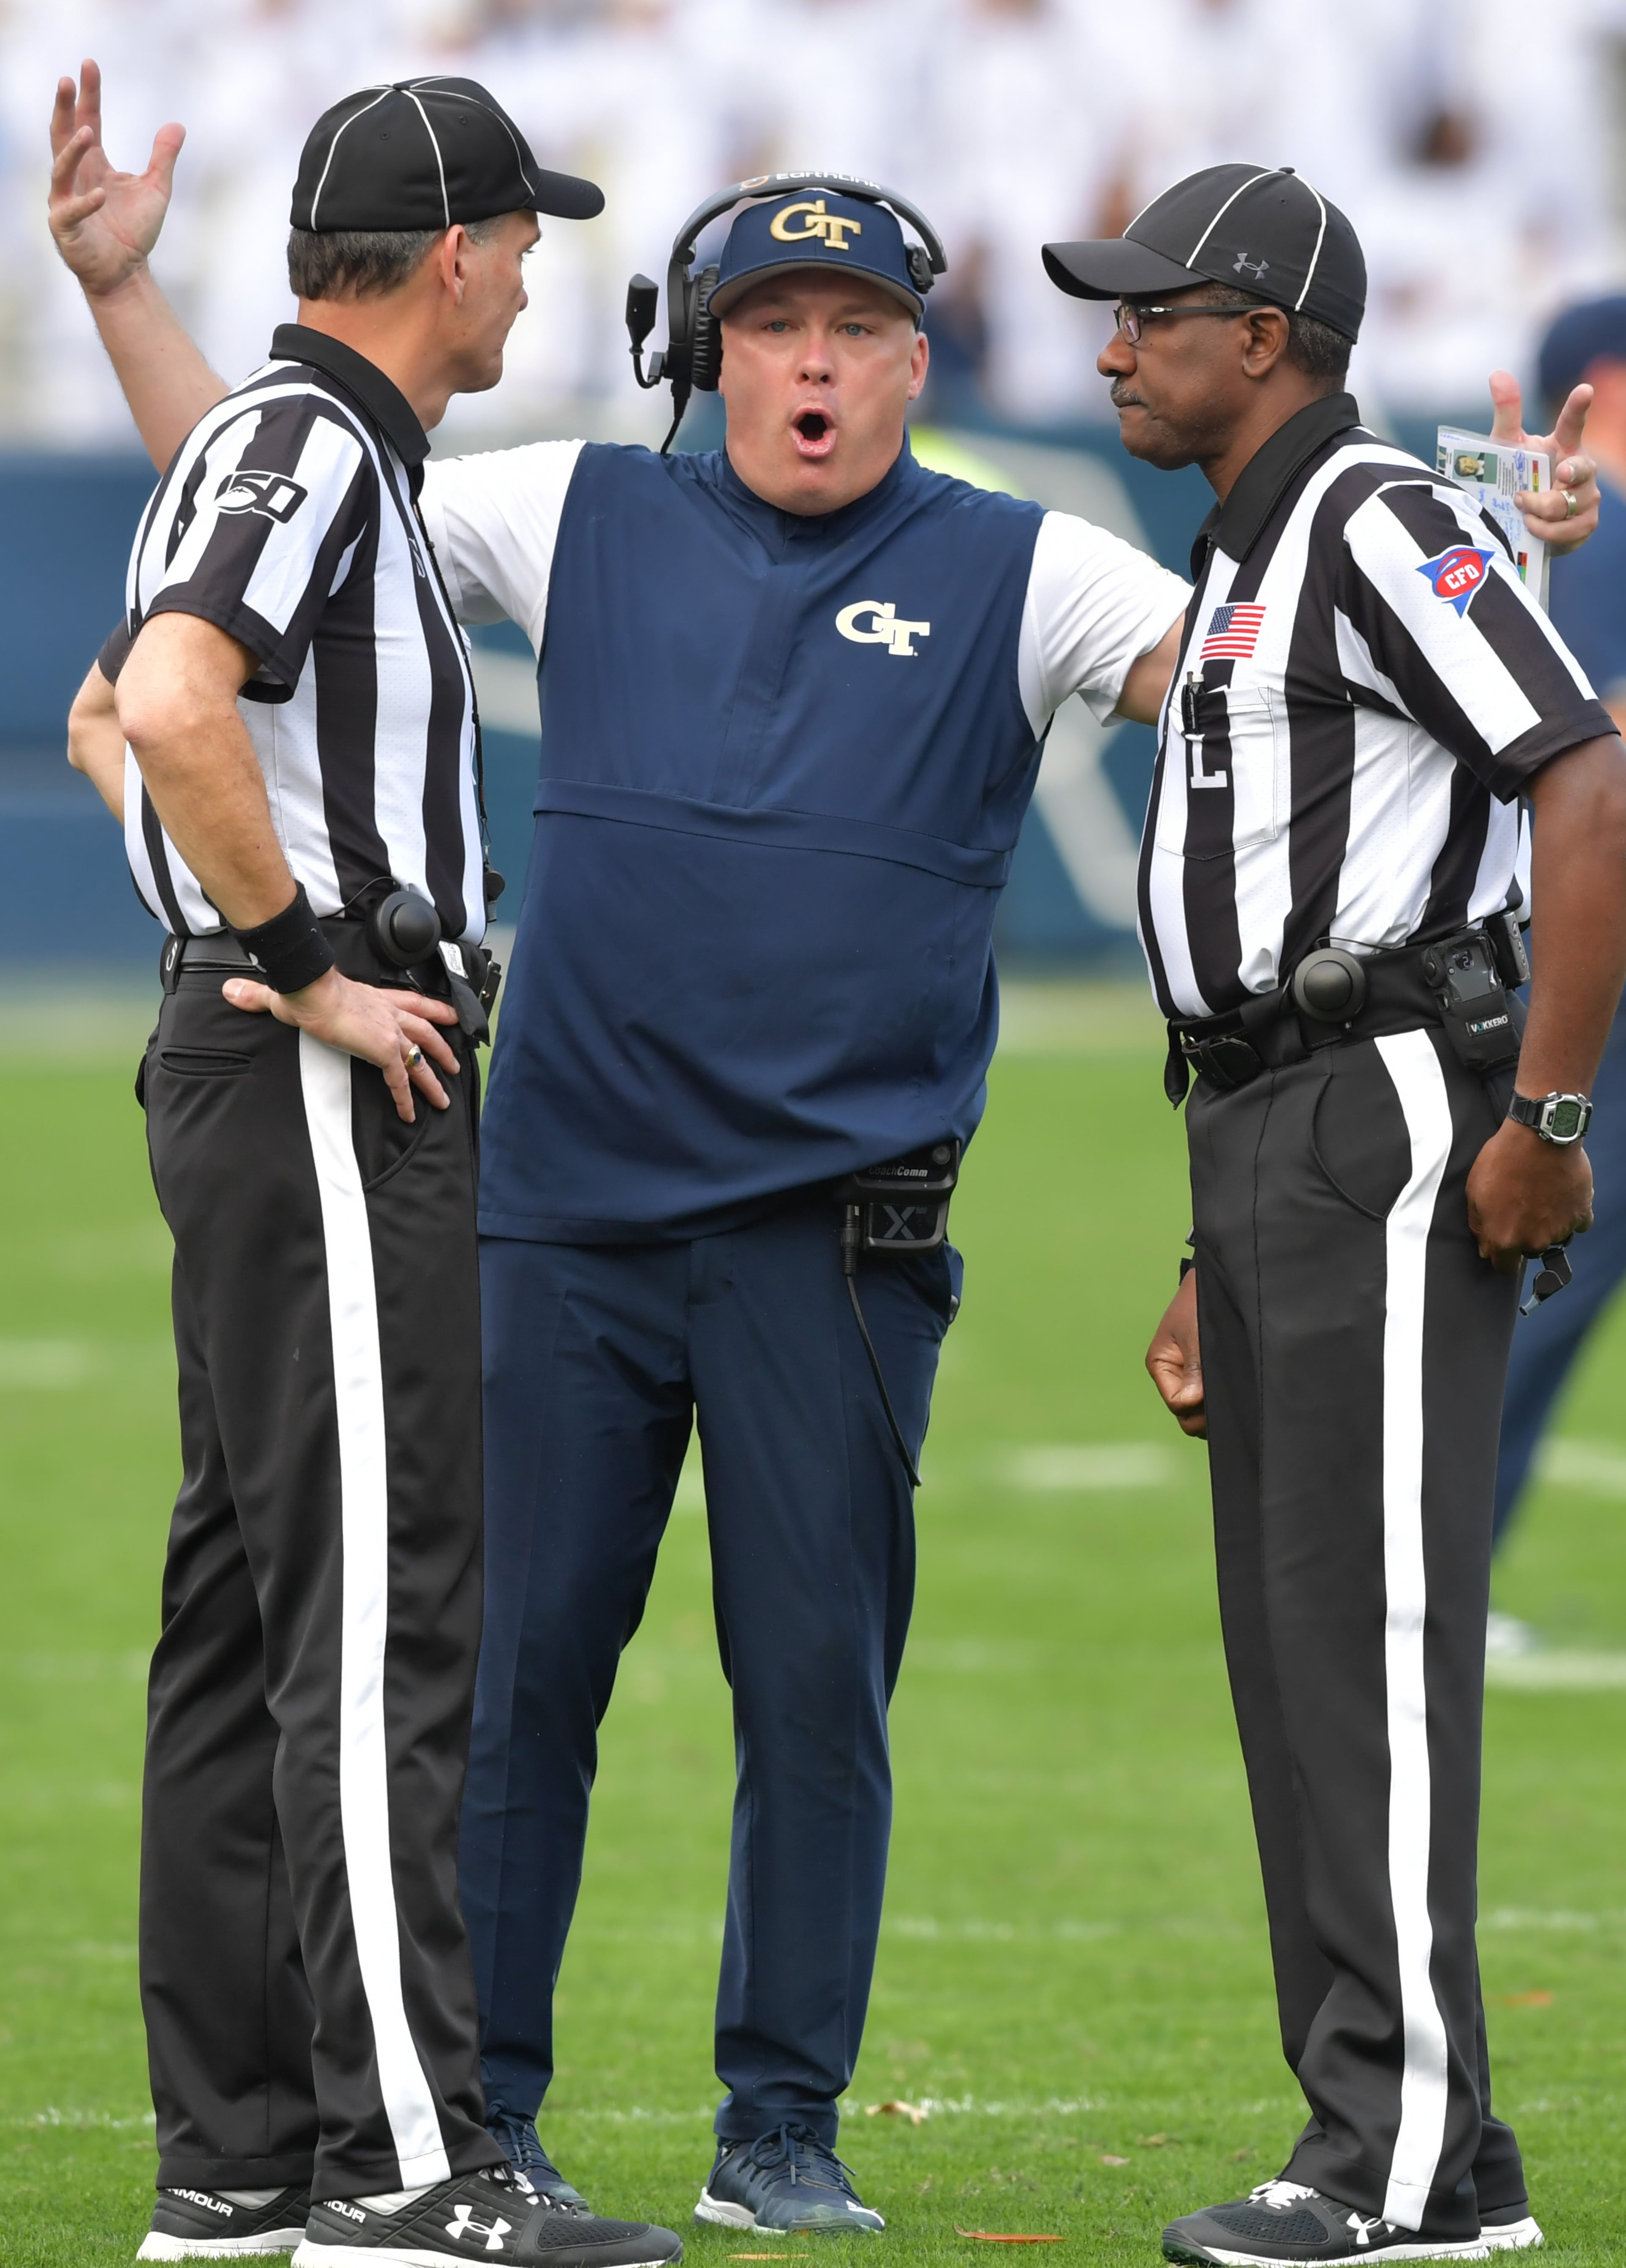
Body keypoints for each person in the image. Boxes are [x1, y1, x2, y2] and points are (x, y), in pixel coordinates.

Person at [53, 89, 1597, 2243]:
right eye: (772, 319)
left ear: (918, 359)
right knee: (501, 1693)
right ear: (702, 349)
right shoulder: (570, 506)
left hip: (839, 1237)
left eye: (860, 323)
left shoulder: (1032, 553)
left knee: (817, 1703)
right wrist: (124, 296)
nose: (815, 362)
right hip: (557, 1210)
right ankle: (470, 2113)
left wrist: (1501, 545)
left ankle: (781, 2123)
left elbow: (1279, 703)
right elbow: (275, 487)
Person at [50, 66, 683, 2268]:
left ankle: (233, 2156)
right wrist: (309, 964)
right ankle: (405, 2160)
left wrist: (118, 299)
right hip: (330, 1067)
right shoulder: (317, 447)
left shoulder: (282, 439)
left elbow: (207, 570)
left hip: (265, 1074)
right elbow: (177, 685)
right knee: (382, 1614)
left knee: (244, 1617)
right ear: (450, 259)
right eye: (520, 236)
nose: (533, 270)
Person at [1045, 165, 1626, 2263]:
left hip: (1385, 1093)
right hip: (1278, 1116)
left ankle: (1377, 2155)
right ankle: (1442, 2157)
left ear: (1264, 336)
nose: (1114, 346)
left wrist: (1546, 1106)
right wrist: (1214, 1232)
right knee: (1304, 1655)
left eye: (1149, 313)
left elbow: (1587, 774)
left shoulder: (1367, 515)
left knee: (1366, 1642)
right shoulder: (1253, 548)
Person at [1489, 298, 1626, 1571]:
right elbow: (1596, 747)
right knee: (1550, 1246)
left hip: (1557, 943)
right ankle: (1441, 1555)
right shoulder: (1601, 523)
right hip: (1587, 959)